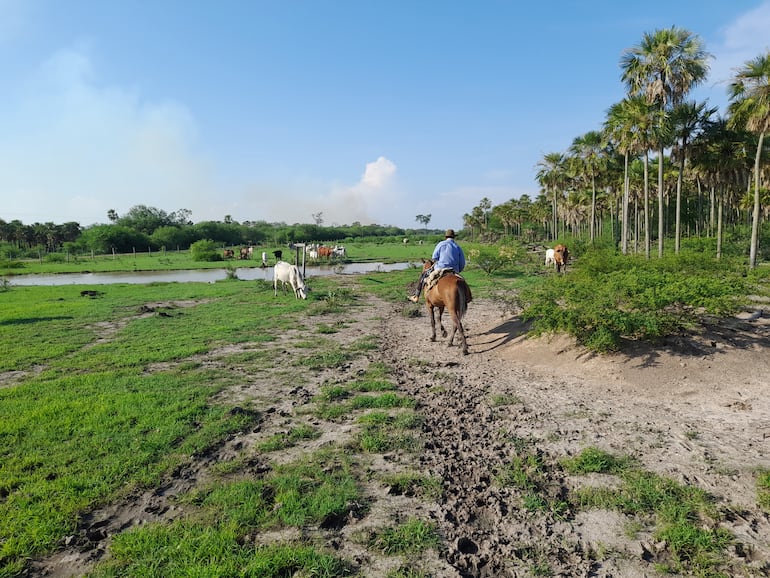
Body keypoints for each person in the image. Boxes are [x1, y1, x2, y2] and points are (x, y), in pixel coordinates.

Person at [408, 229, 466, 303]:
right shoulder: (458, 247)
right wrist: (458, 270)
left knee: (424, 275)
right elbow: (462, 263)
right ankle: (467, 297)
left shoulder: (441, 244)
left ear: (446, 237)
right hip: (453, 270)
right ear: (454, 237)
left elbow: (434, 257)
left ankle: (416, 296)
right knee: (463, 282)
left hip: (440, 268)